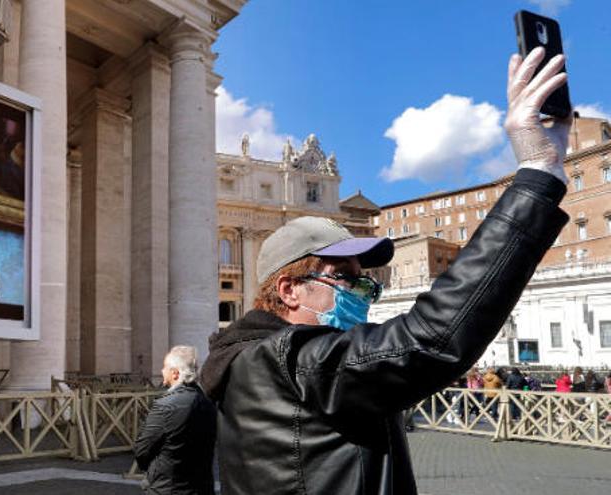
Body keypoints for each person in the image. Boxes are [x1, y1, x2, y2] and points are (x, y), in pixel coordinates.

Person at [200, 47, 571, 494]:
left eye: (365, 281)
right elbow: (430, 337)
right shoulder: (286, 360)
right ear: (290, 289)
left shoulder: (253, 364)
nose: (361, 290)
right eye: (345, 277)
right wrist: (538, 173)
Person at [134, 346, 217, 495]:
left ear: (175, 373)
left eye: (165, 367)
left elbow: (142, 451)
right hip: (201, 487)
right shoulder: (207, 402)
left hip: (167, 487)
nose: (161, 371)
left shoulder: (165, 405)